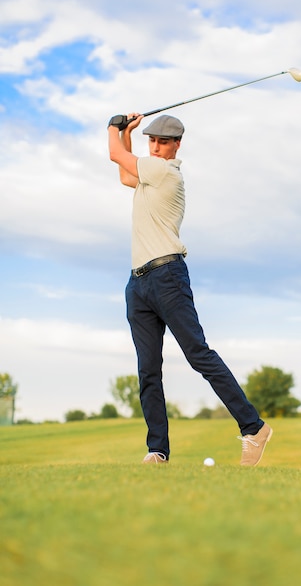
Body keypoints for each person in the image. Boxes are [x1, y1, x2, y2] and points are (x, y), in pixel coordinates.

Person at [107, 112, 272, 465]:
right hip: (137, 283)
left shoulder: (165, 172)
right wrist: (128, 135)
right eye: (151, 141)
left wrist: (113, 129)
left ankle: (253, 428)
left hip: (167, 277)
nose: (155, 147)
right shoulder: (149, 175)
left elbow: (116, 158)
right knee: (148, 369)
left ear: (177, 144)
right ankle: (158, 450)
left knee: (199, 354)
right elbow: (124, 173)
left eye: (162, 142)